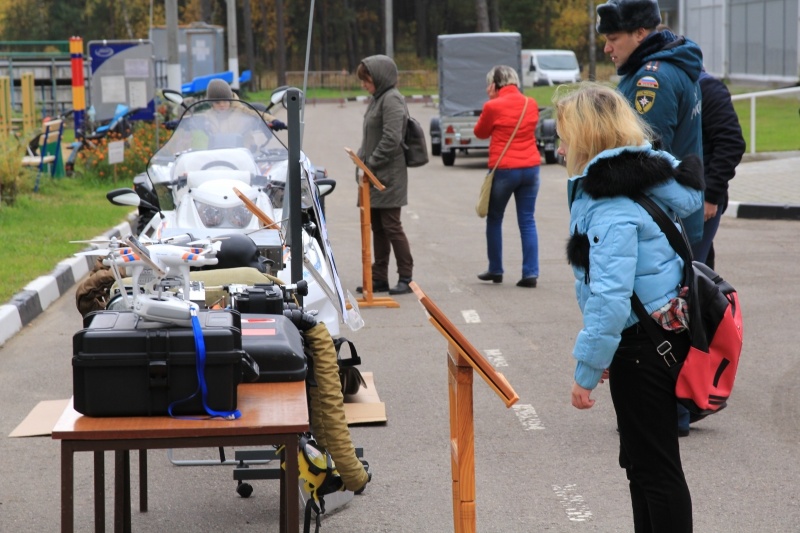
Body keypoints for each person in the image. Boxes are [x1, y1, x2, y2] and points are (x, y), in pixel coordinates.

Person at [556, 82, 703, 532]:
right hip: (652, 339)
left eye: (563, 135)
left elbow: (610, 298)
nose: (558, 146)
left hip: (643, 348)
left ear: (586, 138)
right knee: (644, 466)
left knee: (653, 470)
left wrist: (587, 369)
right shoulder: (640, 184)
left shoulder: (609, 205)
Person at [596, 0, 705, 251]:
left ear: (639, 33)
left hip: (661, 223)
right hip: (669, 217)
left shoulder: (651, 79)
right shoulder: (668, 66)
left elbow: (647, 159)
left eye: (613, 38)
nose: (606, 48)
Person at [473, 65, 541, 288]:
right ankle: (530, 273)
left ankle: (496, 269)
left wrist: (491, 99)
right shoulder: (530, 103)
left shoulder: (492, 105)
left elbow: (480, 133)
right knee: (527, 220)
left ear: (494, 84)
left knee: (495, 218)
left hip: (504, 169)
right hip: (531, 167)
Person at [355, 54, 414, 296]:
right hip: (375, 174)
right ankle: (379, 277)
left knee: (392, 226)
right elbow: (370, 136)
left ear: (379, 77)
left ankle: (406, 276)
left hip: (388, 175)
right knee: (377, 226)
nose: (364, 85)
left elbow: (392, 138)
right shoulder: (378, 99)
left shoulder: (392, 100)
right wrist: (360, 160)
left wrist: (371, 162)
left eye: (366, 79)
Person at [692, 70, 746, 267]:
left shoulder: (707, 87)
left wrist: (711, 195)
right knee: (701, 269)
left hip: (702, 199)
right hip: (685, 198)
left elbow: (731, 143)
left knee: (692, 273)